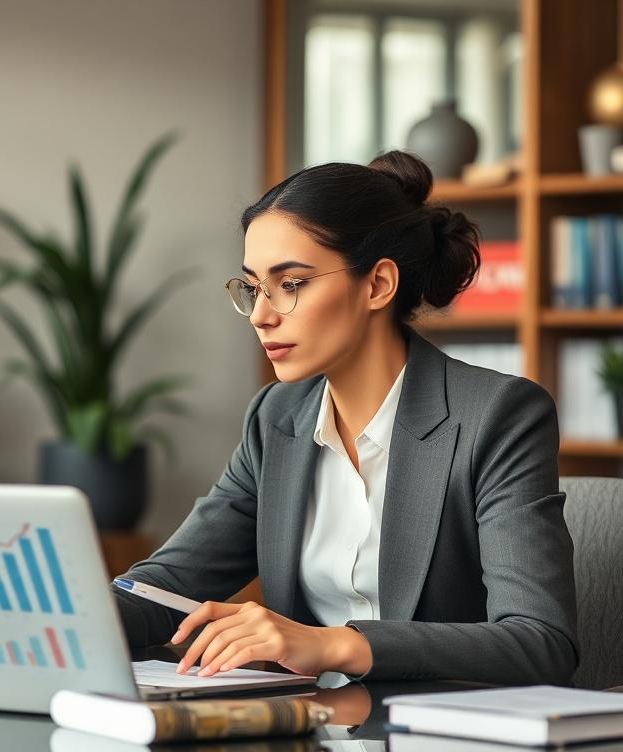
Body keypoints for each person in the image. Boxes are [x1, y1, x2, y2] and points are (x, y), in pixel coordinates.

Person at [114, 150, 578, 685]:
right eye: (253, 287)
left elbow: (541, 641)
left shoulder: (497, 415)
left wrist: (333, 644)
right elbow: (167, 585)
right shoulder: (276, 418)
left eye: (291, 284)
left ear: (379, 284)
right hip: (311, 735)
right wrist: (50, 619)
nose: (262, 315)